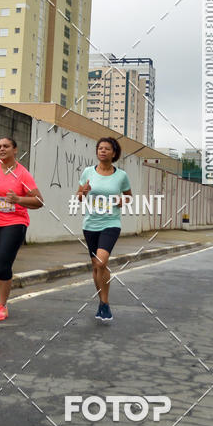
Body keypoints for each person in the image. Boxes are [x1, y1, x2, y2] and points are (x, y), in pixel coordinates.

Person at [0, 137, 43, 321]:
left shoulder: (23, 174)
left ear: (15, 150)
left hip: (14, 223)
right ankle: (4, 283)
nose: (2, 149)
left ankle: (1, 306)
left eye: (6, 146)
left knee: (2, 263)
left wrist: (19, 199)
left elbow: (38, 201)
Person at [76, 137, 132, 323]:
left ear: (114, 153)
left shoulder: (121, 176)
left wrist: (120, 201)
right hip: (90, 224)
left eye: (107, 149)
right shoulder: (87, 172)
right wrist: (83, 192)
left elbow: (129, 197)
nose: (103, 151)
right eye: (100, 148)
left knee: (101, 262)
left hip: (111, 223)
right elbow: (79, 197)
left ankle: (105, 303)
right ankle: (102, 302)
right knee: (96, 266)